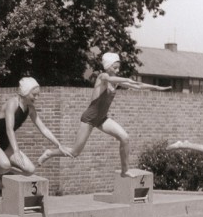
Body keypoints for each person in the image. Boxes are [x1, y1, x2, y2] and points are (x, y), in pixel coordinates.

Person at [38, 52, 171, 176]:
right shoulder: (103, 77)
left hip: (102, 119)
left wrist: (156, 87)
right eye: (115, 67)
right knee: (74, 152)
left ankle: (125, 171)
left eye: (119, 68)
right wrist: (128, 80)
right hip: (89, 119)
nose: (117, 70)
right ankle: (49, 153)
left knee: (125, 138)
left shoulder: (115, 81)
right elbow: (126, 81)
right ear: (108, 66)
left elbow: (138, 85)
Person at [0, 77, 72, 199]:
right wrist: (16, 151)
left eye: (38, 95)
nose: (36, 98)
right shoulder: (12, 103)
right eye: (34, 95)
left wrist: (58, 144)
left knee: (29, 170)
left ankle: (0, 167)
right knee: (5, 165)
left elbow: (43, 128)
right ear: (25, 92)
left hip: (5, 143)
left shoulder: (30, 109)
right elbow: (9, 128)